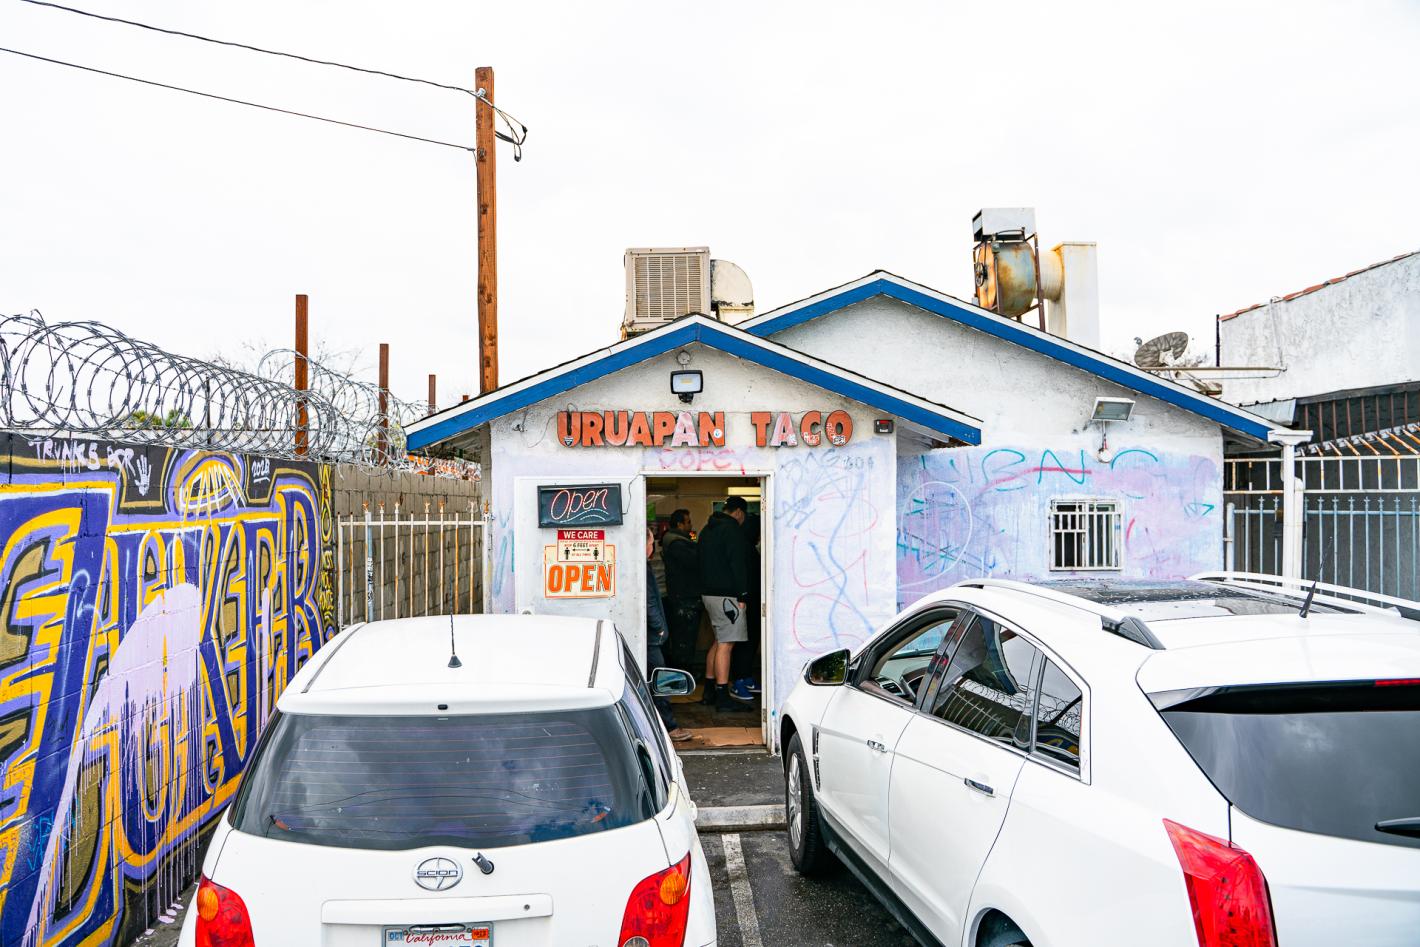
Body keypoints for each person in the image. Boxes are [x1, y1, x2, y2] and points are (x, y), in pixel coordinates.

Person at [697, 495, 748, 711]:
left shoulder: (707, 529)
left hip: (708, 594)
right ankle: (722, 697)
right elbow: (738, 563)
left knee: (719, 641)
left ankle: (709, 690)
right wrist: (743, 594)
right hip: (727, 597)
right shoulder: (732, 529)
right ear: (738, 512)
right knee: (727, 644)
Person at [645, 527, 691, 742]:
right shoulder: (642, 568)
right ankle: (669, 727)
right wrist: (659, 626)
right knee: (659, 679)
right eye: (651, 542)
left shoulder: (642, 566)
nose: (652, 547)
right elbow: (649, 600)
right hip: (651, 636)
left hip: (647, 634)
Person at [659, 509, 701, 672]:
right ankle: (683, 672)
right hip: (684, 595)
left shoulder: (676, 540)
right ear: (679, 524)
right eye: (688, 522)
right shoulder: (677, 543)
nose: (691, 525)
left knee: (683, 636)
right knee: (684, 637)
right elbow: (694, 562)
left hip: (680, 594)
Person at [728, 512, 761, 703]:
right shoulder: (747, 549)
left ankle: (745, 677)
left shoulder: (744, 546)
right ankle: (740, 679)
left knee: (747, 640)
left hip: (749, 601)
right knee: (745, 641)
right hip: (748, 601)